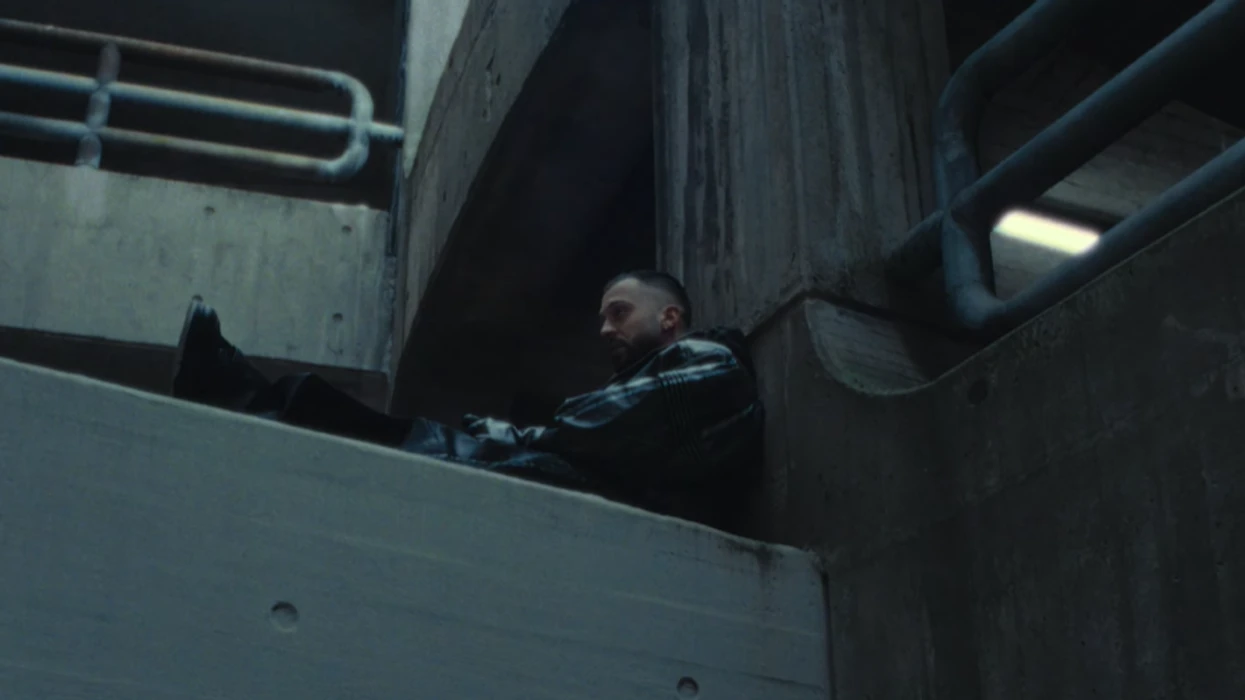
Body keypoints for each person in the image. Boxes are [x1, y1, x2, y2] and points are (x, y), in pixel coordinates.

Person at [172, 270, 764, 529]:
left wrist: (531, 432)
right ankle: (242, 390)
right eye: (604, 317)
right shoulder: (677, 373)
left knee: (411, 446)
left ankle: (237, 389)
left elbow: (595, 427)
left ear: (669, 317)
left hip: (611, 506)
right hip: (586, 492)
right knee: (398, 434)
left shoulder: (712, 362)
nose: (606, 329)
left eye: (620, 313)